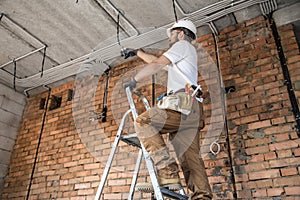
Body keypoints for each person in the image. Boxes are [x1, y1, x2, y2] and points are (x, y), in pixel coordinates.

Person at [122, 19, 212, 200]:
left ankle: (168, 173)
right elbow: (157, 60)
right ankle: (202, 197)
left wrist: (134, 80)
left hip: (182, 103)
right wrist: (138, 52)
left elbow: (157, 65)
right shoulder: (184, 53)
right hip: (192, 109)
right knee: (190, 158)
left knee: (144, 121)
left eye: (171, 33)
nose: (169, 38)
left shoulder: (182, 45)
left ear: (180, 33)